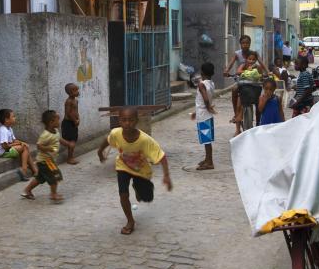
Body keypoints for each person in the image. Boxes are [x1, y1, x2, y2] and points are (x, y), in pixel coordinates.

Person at [97, 107, 172, 235]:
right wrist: (100, 152)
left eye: (131, 120)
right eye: (124, 120)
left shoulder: (144, 140)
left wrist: (166, 176)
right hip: (123, 167)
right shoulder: (116, 133)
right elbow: (108, 140)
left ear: (136, 120)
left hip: (141, 171)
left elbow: (162, 156)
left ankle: (138, 189)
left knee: (147, 197)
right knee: (123, 194)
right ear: (119, 121)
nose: (127, 123)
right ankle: (130, 221)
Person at [21, 110, 74, 201]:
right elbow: (39, 145)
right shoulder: (45, 135)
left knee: (40, 178)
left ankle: (27, 190)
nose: (59, 121)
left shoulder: (55, 131)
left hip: (47, 160)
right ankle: (53, 194)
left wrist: (68, 143)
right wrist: (48, 148)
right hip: (46, 161)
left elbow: (59, 139)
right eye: (58, 119)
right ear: (51, 122)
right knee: (55, 175)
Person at [224, 35, 267, 135]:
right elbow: (231, 64)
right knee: (235, 91)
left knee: (259, 101)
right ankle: (237, 123)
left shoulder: (254, 54)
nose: (245, 45)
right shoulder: (238, 55)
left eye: (247, 43)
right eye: (243, 43)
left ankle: (258, 124)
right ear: (240, 44)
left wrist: (267, 72)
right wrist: (226, 70)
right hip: (242, 81)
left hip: (254, 83)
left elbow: (262, 64)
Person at [0, 109, 38, 181]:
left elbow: (14, 140)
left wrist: (22, 142)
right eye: (13, 116)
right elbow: (5, 146)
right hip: (3, 152)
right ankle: (24, 170)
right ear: (7, 120)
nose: (15, 118)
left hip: (7, 149)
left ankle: (35, 171)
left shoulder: (9, 128)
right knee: (25, 148)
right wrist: (19, 144)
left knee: (25, 148)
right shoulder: (3, 131)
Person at [190, 62, 216, 170]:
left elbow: (205, 99)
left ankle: (209, 162)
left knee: (206, 140)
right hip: (206, 114)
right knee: (207, 139)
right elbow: (202, 100)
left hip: (204, 114)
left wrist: (208, 106)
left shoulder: (201, 84)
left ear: (202, 72)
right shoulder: (211, 83)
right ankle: (207, 159)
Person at [62, 83, 80, 165]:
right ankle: (69, 158)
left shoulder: (75, 100)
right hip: (68, 123)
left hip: (74, 122)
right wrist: (74, 120)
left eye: (77, 89)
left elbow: (76, 111)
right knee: (71, 142)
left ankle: (71, 156)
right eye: (75, 90)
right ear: (70, 92)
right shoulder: (68, 101)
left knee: (73, 140)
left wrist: (78, 119)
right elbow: (68, 113)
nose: (77, 92)